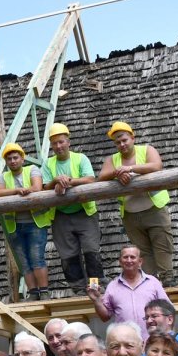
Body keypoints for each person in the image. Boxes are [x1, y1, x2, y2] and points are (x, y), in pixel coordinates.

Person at [98, 121, 174, 282]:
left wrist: (130, 169)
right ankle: (150, 282)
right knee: (143, 251)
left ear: (132, 137)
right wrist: (118, 173)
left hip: (154, 208)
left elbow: (156, 166)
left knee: (162, 245)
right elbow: (102, 176)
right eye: (118, 142)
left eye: (124, 140)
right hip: (131, 214)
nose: (122, 144)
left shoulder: (147, 150)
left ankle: (168, 279)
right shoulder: (113, 159)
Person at [41, 123, 102, 293]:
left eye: (61, 142)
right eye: (54, 143)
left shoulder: (80, 158)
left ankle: (96, 286)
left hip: (84, 212)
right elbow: (45, 187)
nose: (58, 146)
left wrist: (68, 181)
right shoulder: (48, 164)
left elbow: (90, 179)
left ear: (68, 142)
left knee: (91, 251)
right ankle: (78, 289)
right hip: (61, 215)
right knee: (68, 255)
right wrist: (56, 181)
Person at [0, 142, 52, 300]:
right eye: (9, 159)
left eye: (15, 158)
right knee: (24, 261)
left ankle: (44, 291)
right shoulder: (3, 176)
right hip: (14, 225)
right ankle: (34, 293)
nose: (12, 161)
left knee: (36, 257)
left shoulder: (32, 169)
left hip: (35, 222)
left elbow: (37, 187)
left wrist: (23, 191)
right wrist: (17, 191)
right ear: (6, 162)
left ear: (22, 159)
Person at [88, 246, 169, 340]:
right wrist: (96, 300)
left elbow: (167, 309)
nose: (129, 260)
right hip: (125, 344)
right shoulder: (112, 286)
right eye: (125, 257)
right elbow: (105, 317)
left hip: (152, 341)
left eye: (133, 257)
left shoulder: (153, 282)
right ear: (120, 261)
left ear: (140, 261)